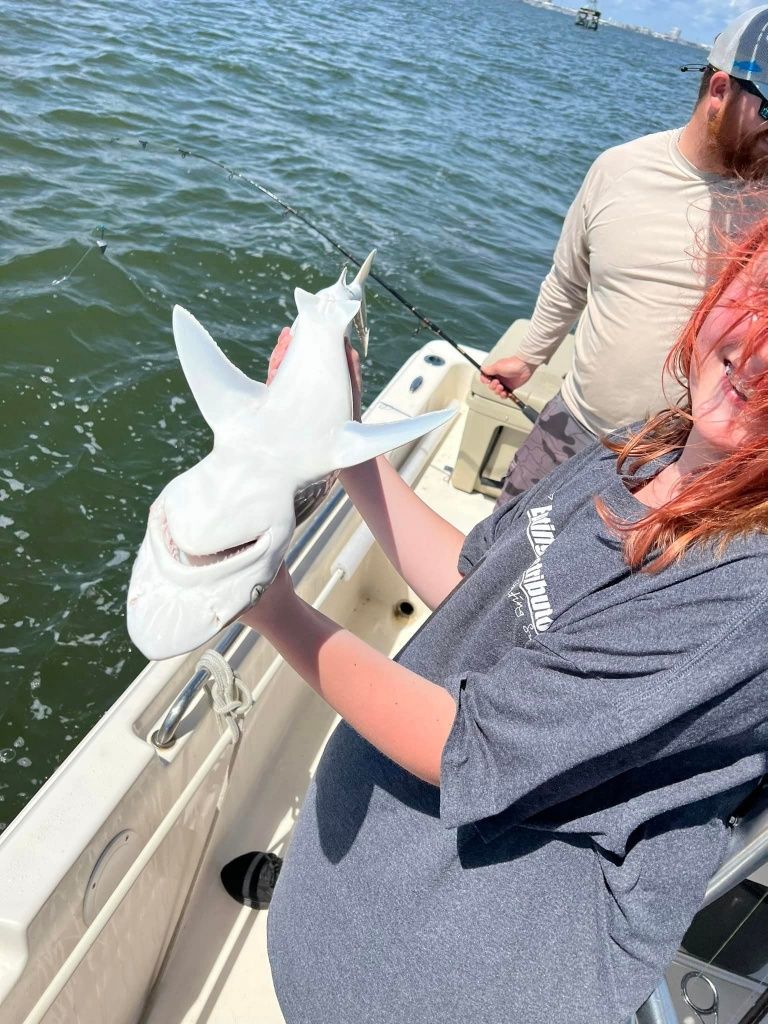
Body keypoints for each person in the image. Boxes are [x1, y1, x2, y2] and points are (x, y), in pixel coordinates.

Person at [240, 214, 768, 1024]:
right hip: (342, 907)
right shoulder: (648, 447)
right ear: (722, 284)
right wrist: (346, 447)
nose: (759, 351)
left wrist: (265, 603)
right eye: (760, 294)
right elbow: (479, 580)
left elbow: (467, 748)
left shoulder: (746, 590)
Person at [481, 4, 768, 506]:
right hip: (570, 430)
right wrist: (529, 358)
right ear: (720, 91)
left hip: (686, 471)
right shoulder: (618, 168)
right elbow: (569, 280)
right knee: (489, 562)